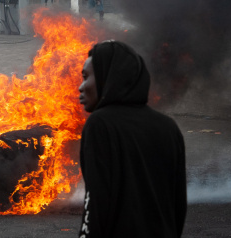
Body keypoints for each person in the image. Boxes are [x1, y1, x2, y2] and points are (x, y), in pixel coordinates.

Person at [77, 40, 187, 237]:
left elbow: (96, 203)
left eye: (86, 77)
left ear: (106, 79)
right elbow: (178, 203)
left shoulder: (100, 124)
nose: (81, 87)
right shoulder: (168, 127)